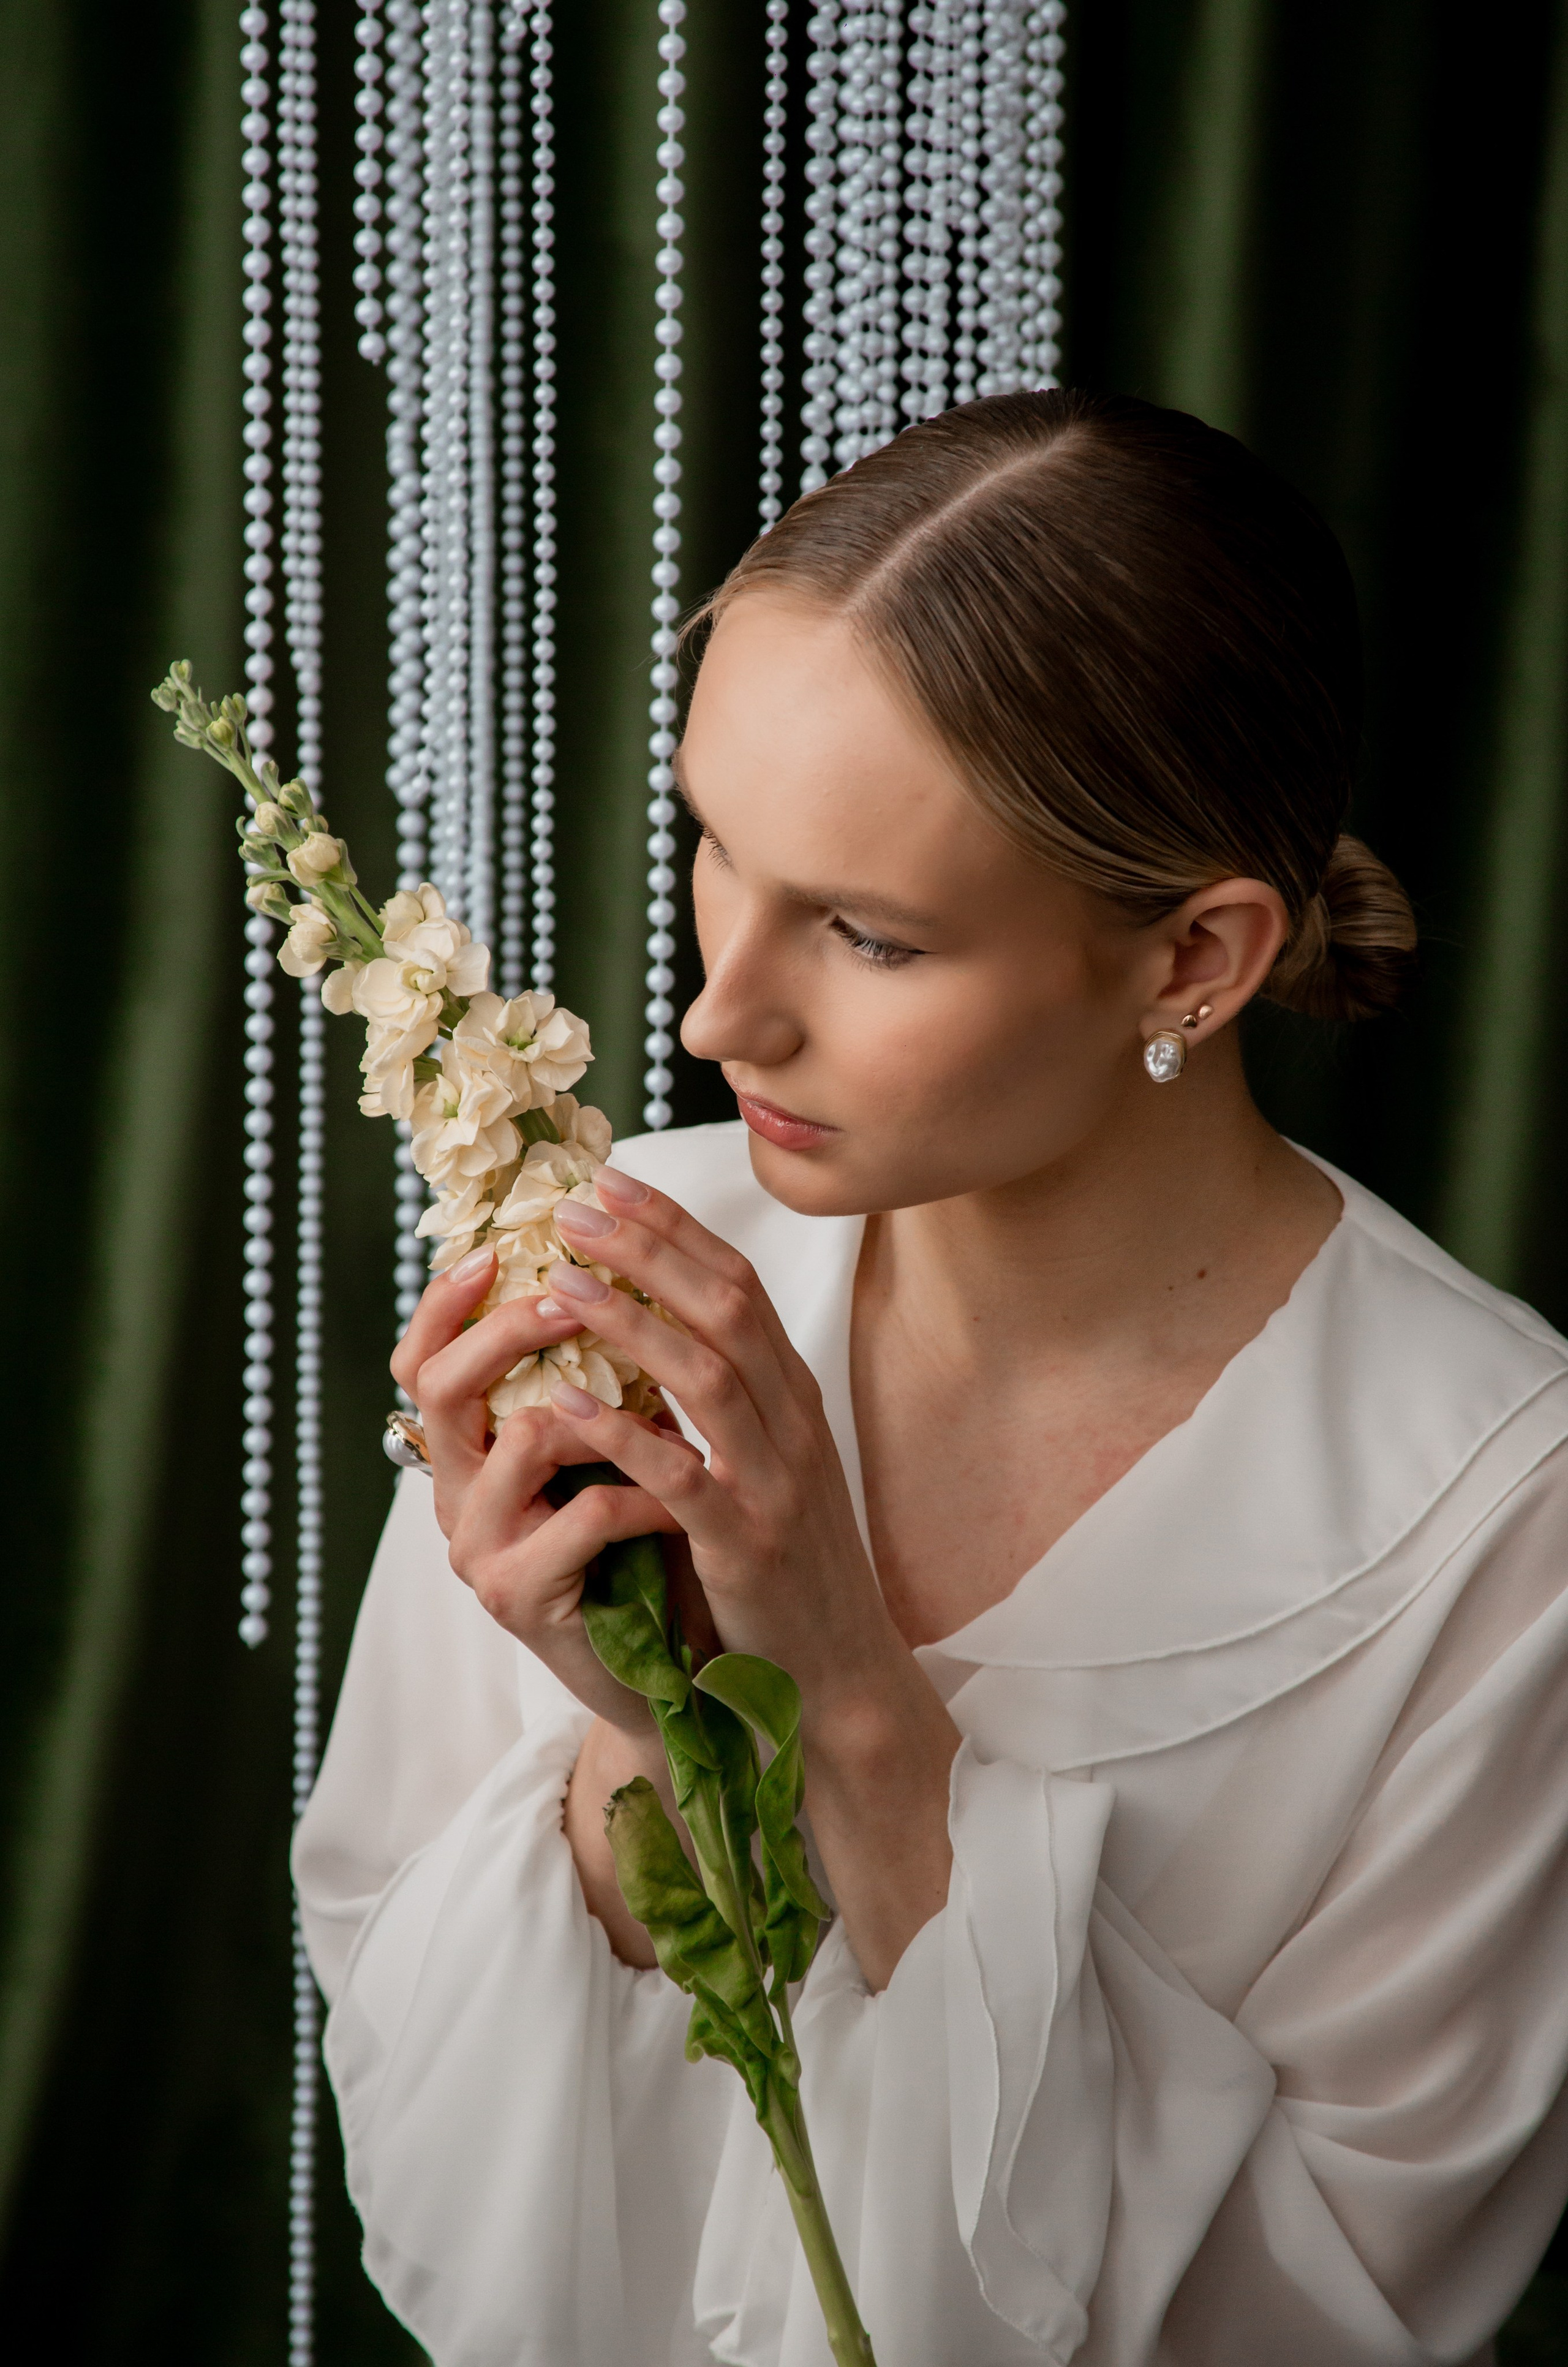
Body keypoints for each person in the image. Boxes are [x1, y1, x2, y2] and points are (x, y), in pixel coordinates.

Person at [294, 391, 1568, 2367]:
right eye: (717, 849)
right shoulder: (610, 1259)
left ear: (1191, 962)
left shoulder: (1505, 1515)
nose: (720, 1008)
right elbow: (446, 2196)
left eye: (870, 937)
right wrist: (645, 1741)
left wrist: (859, 1719)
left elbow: (1333, 2320)